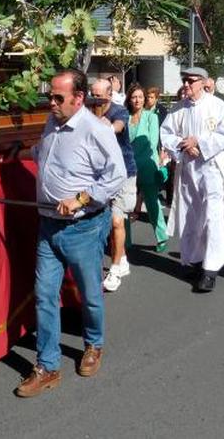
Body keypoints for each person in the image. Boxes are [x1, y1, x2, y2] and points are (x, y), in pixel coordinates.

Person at [12, 69, 125, 397]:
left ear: (79, 99)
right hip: (48, 225)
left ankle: (94, 344)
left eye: (58, 98)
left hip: (84, 228)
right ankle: (47, 366)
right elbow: (43, 156)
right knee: (45, 294)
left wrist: (80, 199)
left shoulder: (96, 130)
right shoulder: (52, 123)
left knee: (89, 294)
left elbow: (115, 176)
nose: (51, 102)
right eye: (51, 96)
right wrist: (15, 154)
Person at [161, 66, 224, 292]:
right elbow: (166, 133)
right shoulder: (177, 109)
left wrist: (200, 144)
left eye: (191, 81)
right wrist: (184, 145)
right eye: (184, 80)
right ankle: (195, 260)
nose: (186, 84)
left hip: (211, 169)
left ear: (203, 83)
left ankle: (211, 269)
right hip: (189, 169)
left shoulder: (218, 106)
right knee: (191, 215)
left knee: (213, 217)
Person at [89, 78, 137, 293]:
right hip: (99, 174)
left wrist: (106, 127)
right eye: (92, 94)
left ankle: (115, 269)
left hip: (124, 173)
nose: (95, 98)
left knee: (117, 221)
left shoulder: (119, 112)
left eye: (98, 95)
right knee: (104, 221)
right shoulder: (87, 111)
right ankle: (122, 256)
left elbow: (118, 126)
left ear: (109, 95)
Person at [126, 83, 167, 252]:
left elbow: (152, 141)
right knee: (126, 204)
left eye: (140, 97)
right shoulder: (125, 117)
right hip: (128, 165)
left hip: (147, 165)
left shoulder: (152, 117)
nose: (137, 100)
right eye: (134, 97)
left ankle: (162, 237)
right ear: (129, 99)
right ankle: (126, 241)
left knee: (151, 203)